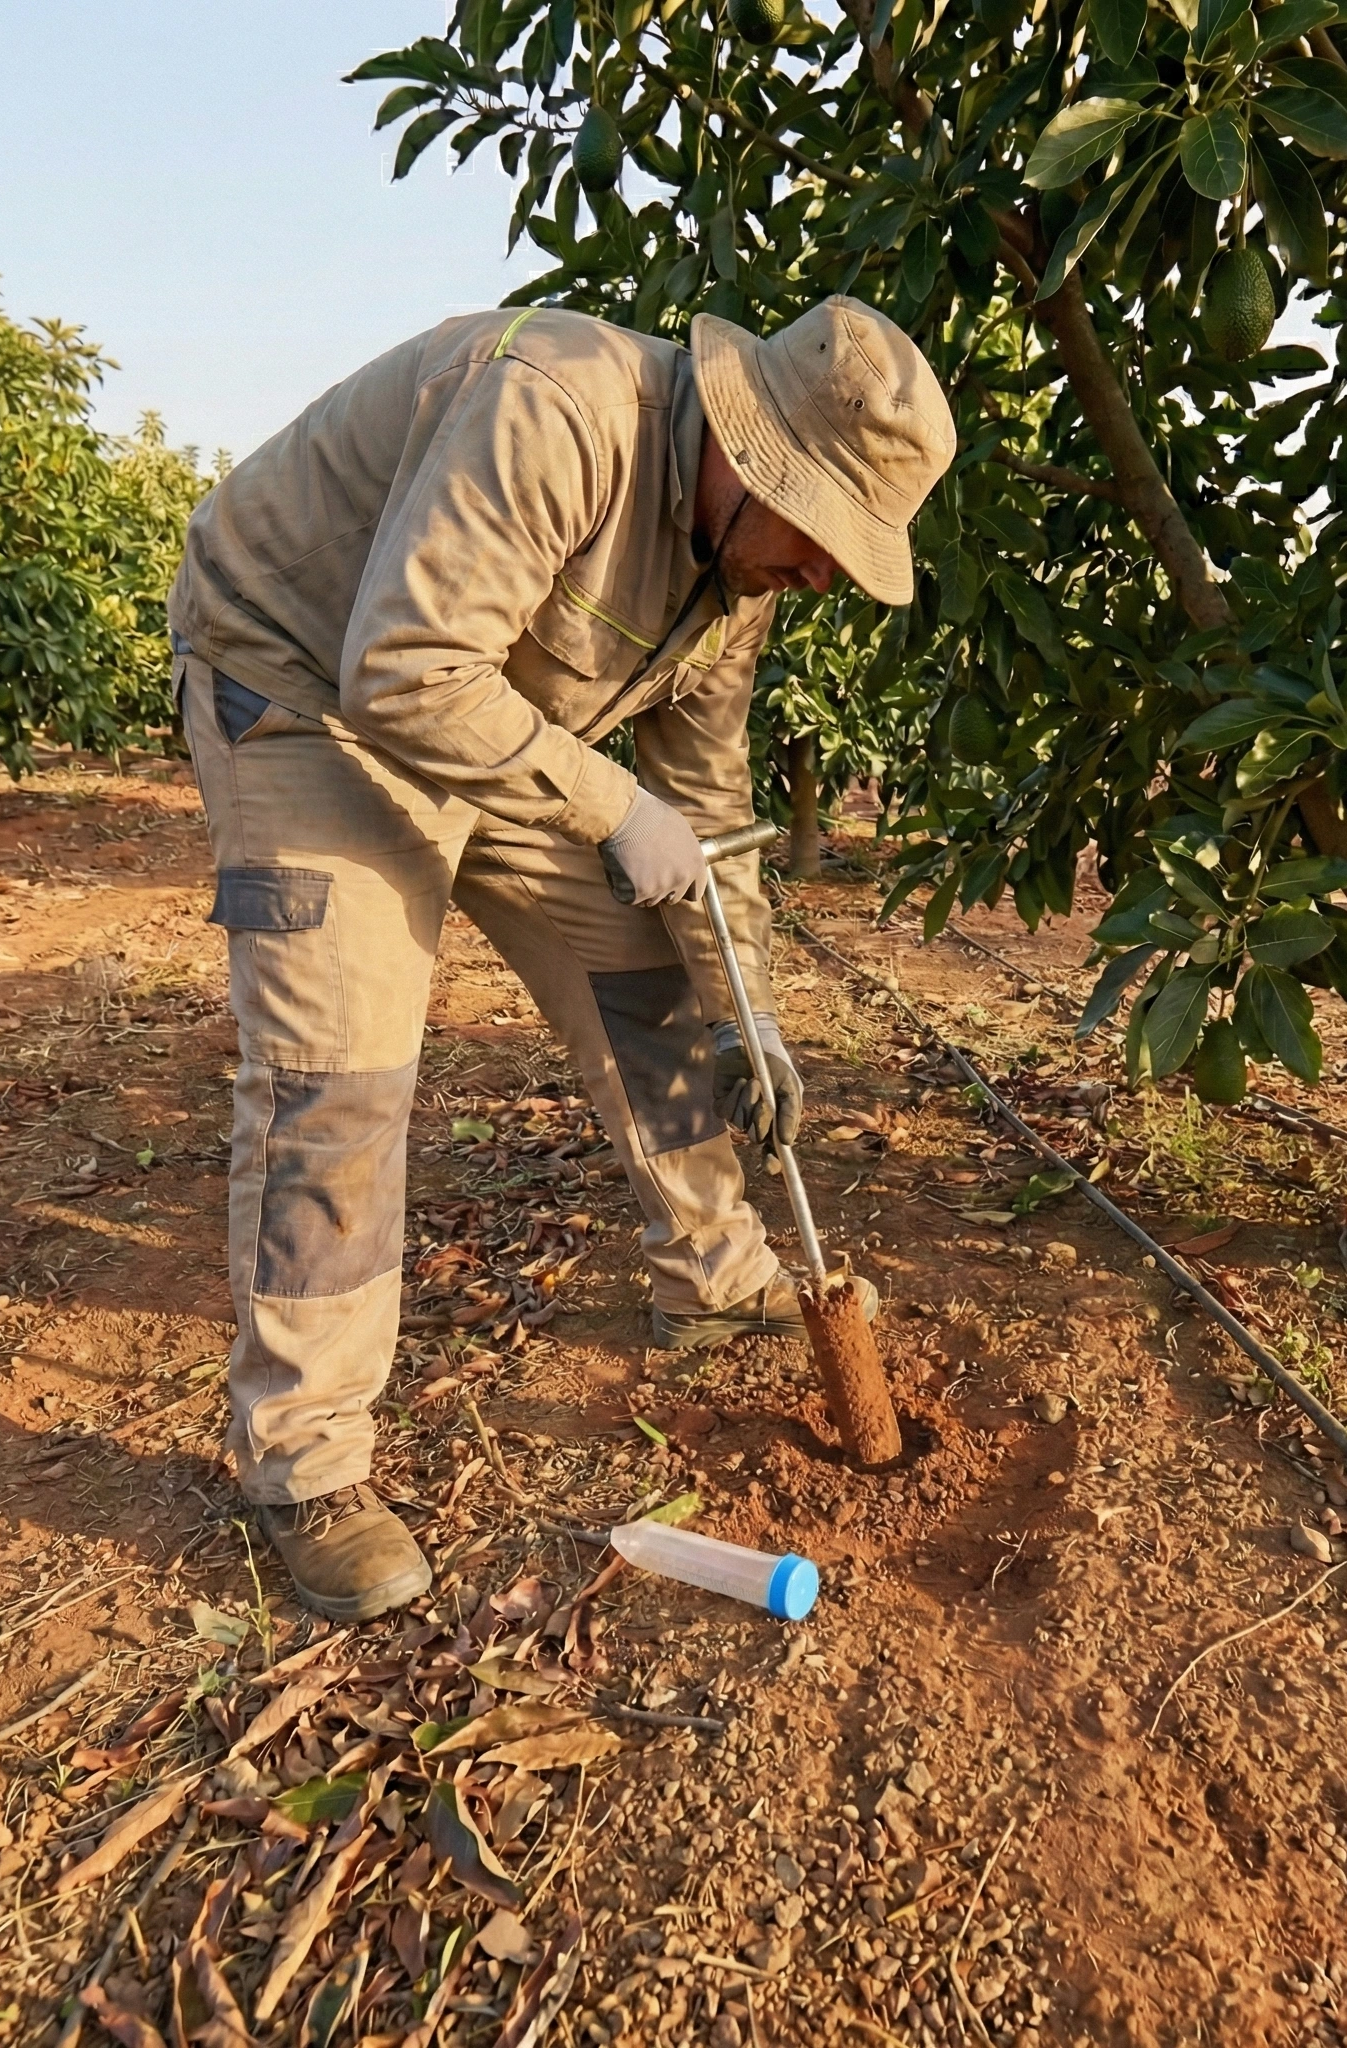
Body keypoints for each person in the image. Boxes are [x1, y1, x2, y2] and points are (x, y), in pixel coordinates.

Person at [167, 296, 955, 1620]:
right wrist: (611, 807)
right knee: (341, 1072)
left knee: (650, 978)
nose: (824, 574)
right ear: (747, 458)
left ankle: (714, 1274)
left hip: (503, 728)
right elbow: (403, 670)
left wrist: (741, 1017)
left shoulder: (737, 574)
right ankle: (303, 1462)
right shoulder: (561, 408)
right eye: (822, 537)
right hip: (310, 693)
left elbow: (703, 806)